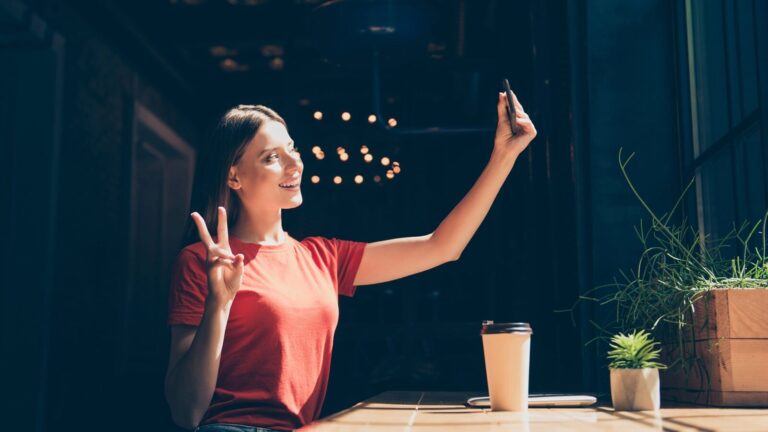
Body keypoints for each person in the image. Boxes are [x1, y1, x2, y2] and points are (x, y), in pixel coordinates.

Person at [164, 92, 537, 432]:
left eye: (292, 149)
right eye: (272, 157)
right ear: (234, 176)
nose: (295, 163)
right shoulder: (202, 261)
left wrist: (504, 156)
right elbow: (186, 412)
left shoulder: (322, 257)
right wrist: (219, 303)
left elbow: (442, 246)